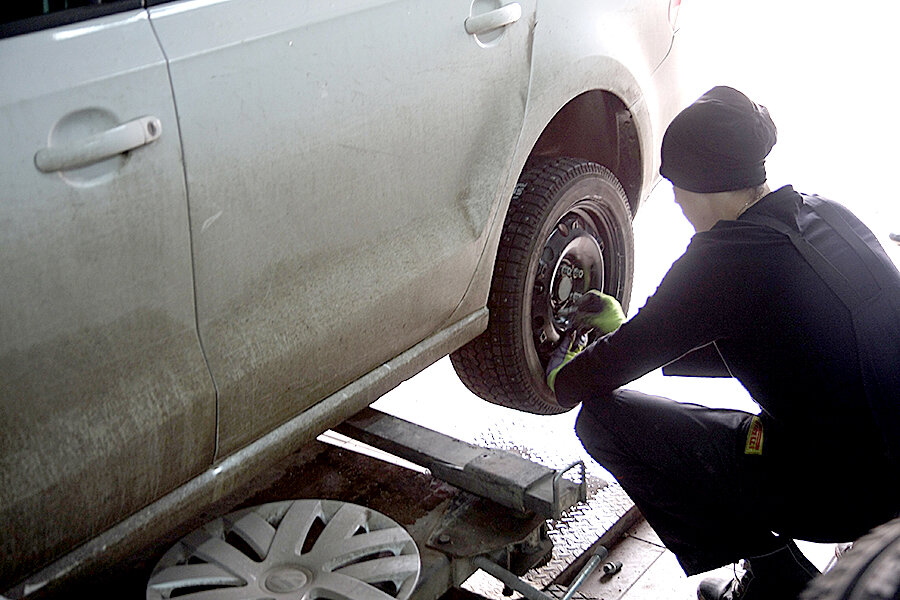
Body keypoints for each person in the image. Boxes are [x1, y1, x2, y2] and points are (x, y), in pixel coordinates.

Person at [546, 86, 900, 600]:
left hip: (850, 498)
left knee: (602, 421)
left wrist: (565, 369)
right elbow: (779, 336)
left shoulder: (721, 262)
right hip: (885, 465)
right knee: (741, 430)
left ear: (699, 185)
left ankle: (775, 576)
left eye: (675, 189)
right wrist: (626, 328)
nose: (675, 202)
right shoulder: (826, 213)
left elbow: (576, 385)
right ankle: (775, 567)